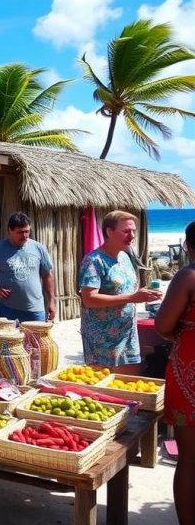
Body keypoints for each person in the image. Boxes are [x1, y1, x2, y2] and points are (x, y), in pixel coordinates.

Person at [79, 211, 162, 373]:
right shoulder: (94, 261)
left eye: (133, 231)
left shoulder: (125, 257)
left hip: (128, 334)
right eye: (126, 231)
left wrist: (145, 293)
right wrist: (132, 298)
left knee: (130, 386)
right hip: (102, 340)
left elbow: (125, 289)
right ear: (109, 232)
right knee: (106, 389)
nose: (131, 236)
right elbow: (89, 299)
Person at [156, 220, 195, 525]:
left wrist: (183, 334)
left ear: (188, 246)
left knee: (191, 460)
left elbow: (163, 325)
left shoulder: (188, 276)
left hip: (189, 370)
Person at [0, 212, 56, 322]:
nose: (24, 235)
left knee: (35, 339)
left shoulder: (38, 248)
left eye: (27, 231)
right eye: (20, 232)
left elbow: (47, 276)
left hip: (35, 309)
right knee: (7, 339)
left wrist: (52, 301)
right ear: (10, 230)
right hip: (7, 309)